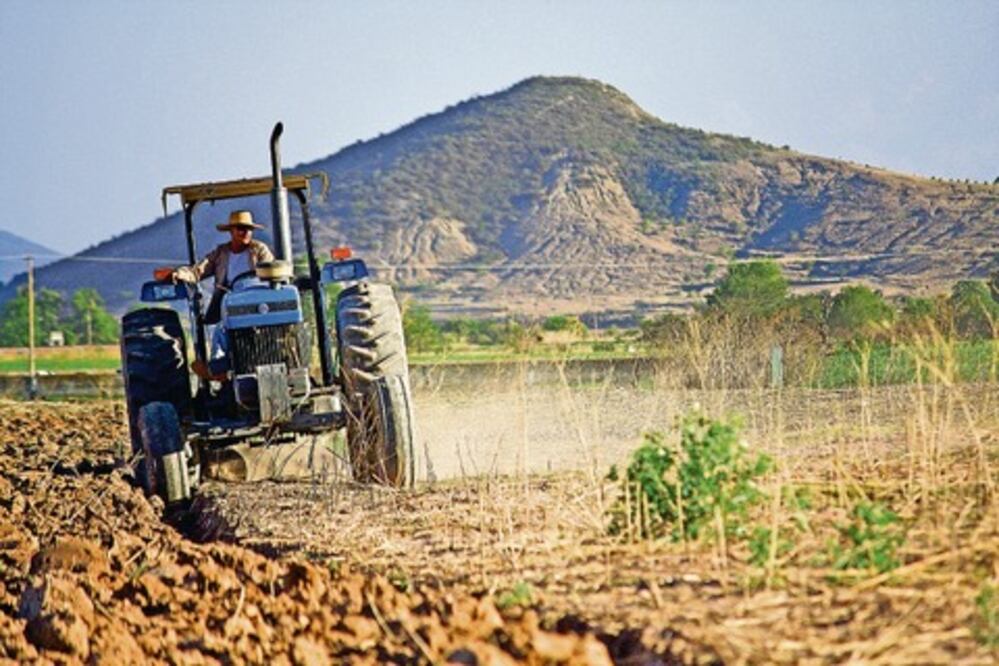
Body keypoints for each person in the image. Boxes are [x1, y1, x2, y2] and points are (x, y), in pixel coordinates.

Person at [156, 209, 274, 381]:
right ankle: (217, 369)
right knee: (221, 330)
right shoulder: (221, 253)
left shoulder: (259, 250)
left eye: (248, 228)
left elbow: (271, 270)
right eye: (240, 228)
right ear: (231, 231)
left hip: (257, 304)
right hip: (230, 303)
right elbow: (198, 271)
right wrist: (179, 274)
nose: (245, 232)